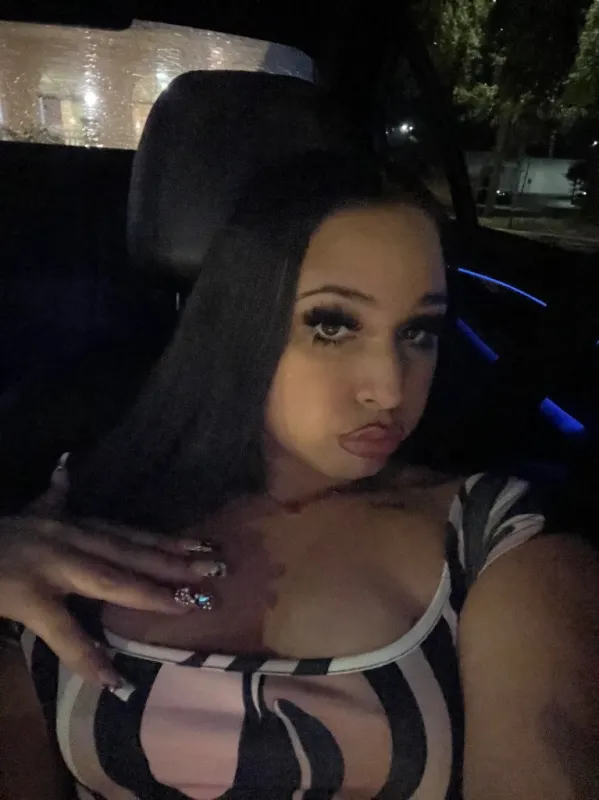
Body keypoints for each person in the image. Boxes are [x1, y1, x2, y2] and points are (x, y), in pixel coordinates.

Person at [0, 152, 598, 800]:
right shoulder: (67, 517)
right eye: (333, 325)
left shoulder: (493, 539)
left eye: (418, 331)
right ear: (240, 323)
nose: (388, 388)